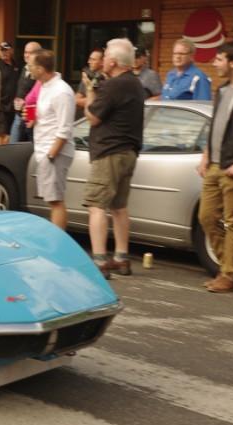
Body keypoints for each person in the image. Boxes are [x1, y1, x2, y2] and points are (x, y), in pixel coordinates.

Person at [197, 39, 233, 293]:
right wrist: (205, 156)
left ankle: (229, 274)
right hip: (214, 165)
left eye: (219, 59)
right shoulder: (220, 90)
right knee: (206, 217)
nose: (214, 63)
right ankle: (230, 265)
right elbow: (216, 126)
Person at [82, 38, 144, 279]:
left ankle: (99, 260)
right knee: (119, 206)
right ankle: (121, 257)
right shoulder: (135, 84)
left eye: (106, 56)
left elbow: (93, 117)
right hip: (128, 151)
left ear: (114, 62)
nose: (103, 60)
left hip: (108, 152)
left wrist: (89, 92)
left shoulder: (113, 86)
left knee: (97, 206)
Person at [28, 50, 74, 229]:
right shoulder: (44, 86)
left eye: (31, 66)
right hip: (45, 150)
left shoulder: (61, 91)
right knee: (52, 200)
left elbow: (64, 129)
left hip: (54, 152)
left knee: (55, 200)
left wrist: (50, 155)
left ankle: (59, 244)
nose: (29, 69)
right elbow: (48, 118)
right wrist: (33, 118)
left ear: (40, 69)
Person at [9, 41, 41, 143]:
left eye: (30, 53)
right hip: (19, 114)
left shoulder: (40, 72)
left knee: (30, 146)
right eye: (25, 52)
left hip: (32, 115)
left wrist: (30, 113)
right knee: (13, 146)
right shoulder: (24, 68)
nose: (26, 55)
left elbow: (38, 97)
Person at [0, 41, 19, 145]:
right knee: (1, 136)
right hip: (1, 107)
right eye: (2, 50)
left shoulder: (17, 65)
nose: (4, 53)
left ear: (11, 51)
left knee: (11, 136)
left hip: (14, 107)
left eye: (6, 50)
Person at [76, 48, 104, 113]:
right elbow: (76, 99)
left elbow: (99, 102)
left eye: (93, 60)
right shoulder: (88, 76)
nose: (89, 62)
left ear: (102, 62)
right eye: (90, 59)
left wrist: (82, 101)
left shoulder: (107, 78)